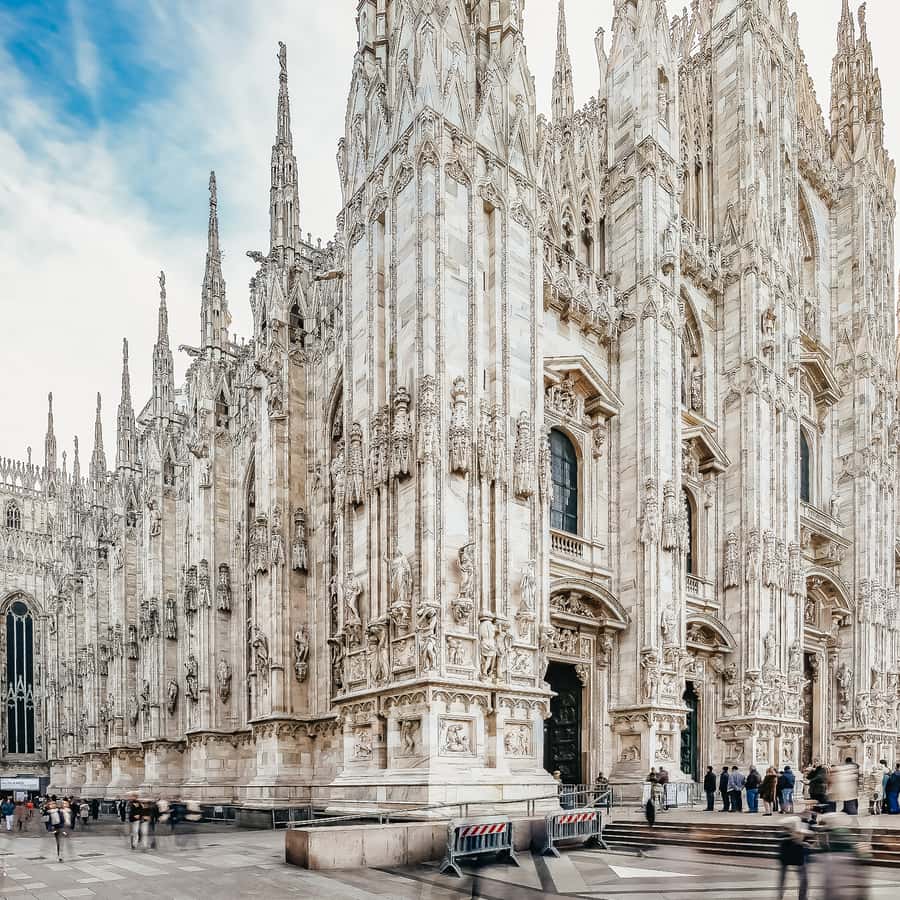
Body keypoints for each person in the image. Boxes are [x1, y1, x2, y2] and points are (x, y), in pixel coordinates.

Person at [777, 817, 810, 900]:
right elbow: (799, 839)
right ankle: (802, 897)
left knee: (783, 877)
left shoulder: (787, 833)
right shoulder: (795, 831)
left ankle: (780, 895)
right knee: (802, 877)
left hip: (789, 854)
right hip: (796, 854)